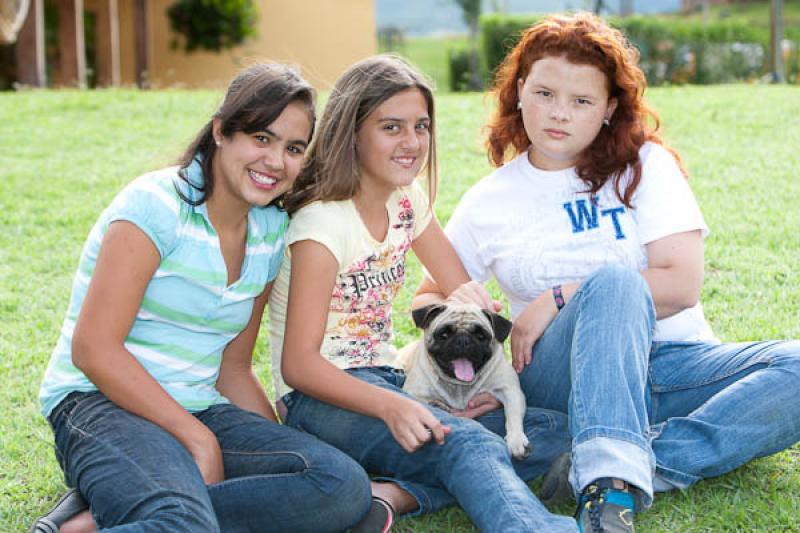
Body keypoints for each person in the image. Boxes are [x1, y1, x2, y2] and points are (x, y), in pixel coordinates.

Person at [414, 12, 800, 533]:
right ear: (520, 90)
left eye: (581, 101)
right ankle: (609, 488)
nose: (559, 114)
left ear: (609, 108)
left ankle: (622, 452)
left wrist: (557, 296)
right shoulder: (491, 200)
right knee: (617, 280)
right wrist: (465, 316)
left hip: (674, 361)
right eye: (545, 93)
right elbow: (428, 298)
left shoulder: (645, 166)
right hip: (563, 374)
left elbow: (681, 284)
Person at [31, 63, 375, 533]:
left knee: (340, 485)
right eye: (261, 138)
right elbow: (94, 349)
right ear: (220, 131)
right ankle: (158, 510)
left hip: (197, 402)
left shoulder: (270, 231)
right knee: (181, 522)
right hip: (97, 403)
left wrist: (279, 445)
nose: (275, 161)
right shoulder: (154, 206)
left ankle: (101, 517)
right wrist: (197, 438)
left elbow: (233, 368)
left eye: (293, 148)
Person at [267, 54, 577, 532]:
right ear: (352, 131)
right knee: (468, 444)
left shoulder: (407, 200)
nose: (412, 143)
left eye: (421, 126)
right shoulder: (321, 227)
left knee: (549, 428)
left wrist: (472, 376)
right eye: (391, 127)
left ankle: (391, 494)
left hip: (391, 378)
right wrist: (395, 407)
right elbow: (299, 366)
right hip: (321, 397)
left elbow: (460, 286)